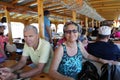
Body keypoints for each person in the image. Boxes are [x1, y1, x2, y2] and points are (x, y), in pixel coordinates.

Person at [49, 21, 115, 80]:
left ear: (78, 33)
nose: (71, 34)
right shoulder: (61, 49)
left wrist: (100, 60)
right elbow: (52, 71)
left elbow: (87, 55)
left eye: (74, 31)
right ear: (64, 34)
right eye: (68, 32)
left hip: (80, 76)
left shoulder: (78, 44)